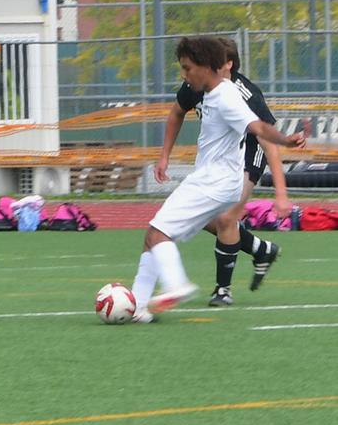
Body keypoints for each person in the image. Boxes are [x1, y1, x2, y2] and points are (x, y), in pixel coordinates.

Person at [130, 36, 306, 324]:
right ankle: (137, 307)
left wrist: (285, 140)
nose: (185, 75)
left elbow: (259, 127)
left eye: (188, 68)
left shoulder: (227, 96)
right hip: (214, 180)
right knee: (153, 237)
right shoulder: (209, 90)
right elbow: (176, 111)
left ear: (208, 66)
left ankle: (178, 285)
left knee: (158, 233)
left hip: (216, 181)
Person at [168, 37, 289, 306]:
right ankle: (261, 249)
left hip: (249, 155)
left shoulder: (245, 94)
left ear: (228, 65)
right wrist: (163, 157)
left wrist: (281, 193)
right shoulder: (198, 84)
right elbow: (176, 112)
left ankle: (223, 290)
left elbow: (269, 142)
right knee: (202, 216)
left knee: (225, 219)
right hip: (219, 161)